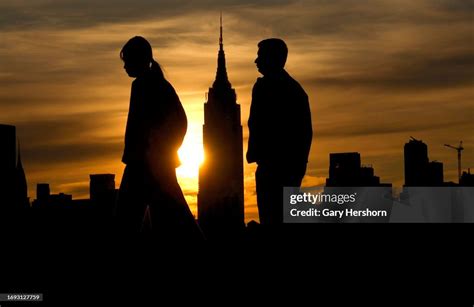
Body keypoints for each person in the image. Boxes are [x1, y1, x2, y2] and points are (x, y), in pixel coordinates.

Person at [116, 36, 204, 240]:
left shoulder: (149, 86)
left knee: (131, 223)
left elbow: (178, 122)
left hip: (147, 164)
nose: (125, 67)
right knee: (171, 221)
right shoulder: (153, 84)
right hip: (150, 163)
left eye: (128, 60)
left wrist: (158, 150)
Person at [247, 38, 313, 225]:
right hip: (270, 166)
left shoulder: (291, 92)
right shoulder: (266, 87)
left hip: (282, 168)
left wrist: (295, 167)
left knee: (276, 221)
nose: (256, 61)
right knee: (271, 220)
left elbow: (303, 133)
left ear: (273, 58)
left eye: (260, 56)